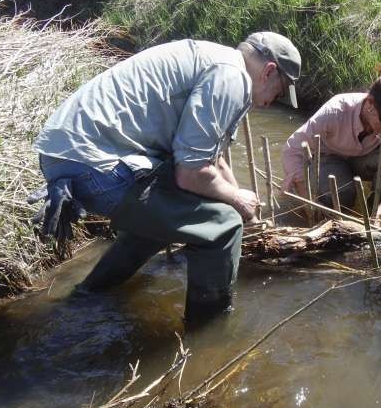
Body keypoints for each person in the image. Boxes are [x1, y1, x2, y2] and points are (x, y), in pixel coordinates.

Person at [30, 32, 301, 322]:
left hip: (64, 154)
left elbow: (211, 157)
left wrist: (246, 211)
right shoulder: (231, 77)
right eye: (280, 91)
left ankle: (88, 295)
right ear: (269, 71)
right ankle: (209, 331)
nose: (275, 101)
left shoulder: (218, 61)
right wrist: (236, 204)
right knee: (222, 227)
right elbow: (191, 173)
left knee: (165, 214)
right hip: (93, 163)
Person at [281, 63, 381, 221]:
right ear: (370, 103)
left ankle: (373, 214)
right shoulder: (336, 111)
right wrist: (307, 198)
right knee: (340, 198)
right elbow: (292, 150)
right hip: (329, 157)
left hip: (365, 158)